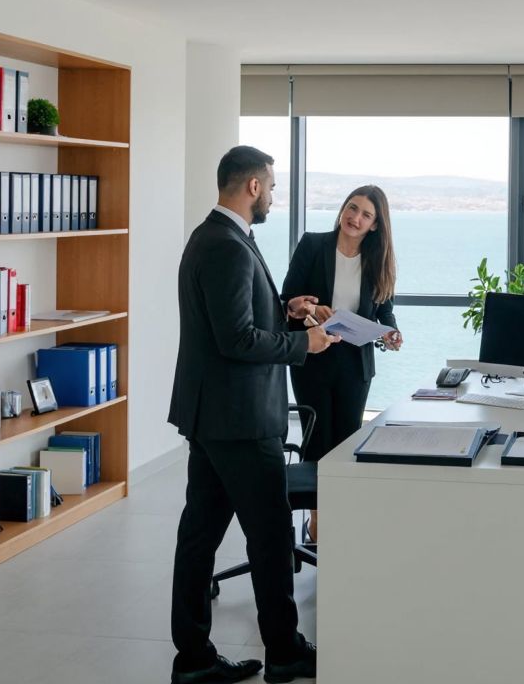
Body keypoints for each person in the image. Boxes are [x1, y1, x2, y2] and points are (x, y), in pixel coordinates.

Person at [168, 145, 336, 684]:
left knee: (199, 538)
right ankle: (285, 654)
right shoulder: (228, 247)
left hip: (215, 416)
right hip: (239, 420)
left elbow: (234, 321)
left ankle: (194, 659)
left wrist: (283, 310)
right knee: (267, 540)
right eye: (272, 185)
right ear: (254, 187)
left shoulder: (213, 237)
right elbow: (235, 339)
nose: (273, 196)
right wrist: (303, 342)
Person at [282, 184, 401, 542]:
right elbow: (288, 298)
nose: (355, 218)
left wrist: (390, 332)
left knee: (347, 443)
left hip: (355, 365)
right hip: (314, 358)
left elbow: (385, 311)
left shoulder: (378, 261)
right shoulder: (313, 244)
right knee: (318, 443)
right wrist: (308, 307)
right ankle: (318, 524)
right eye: (352, 208)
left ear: (375, 225)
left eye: (365, 214)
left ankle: (343, 522)